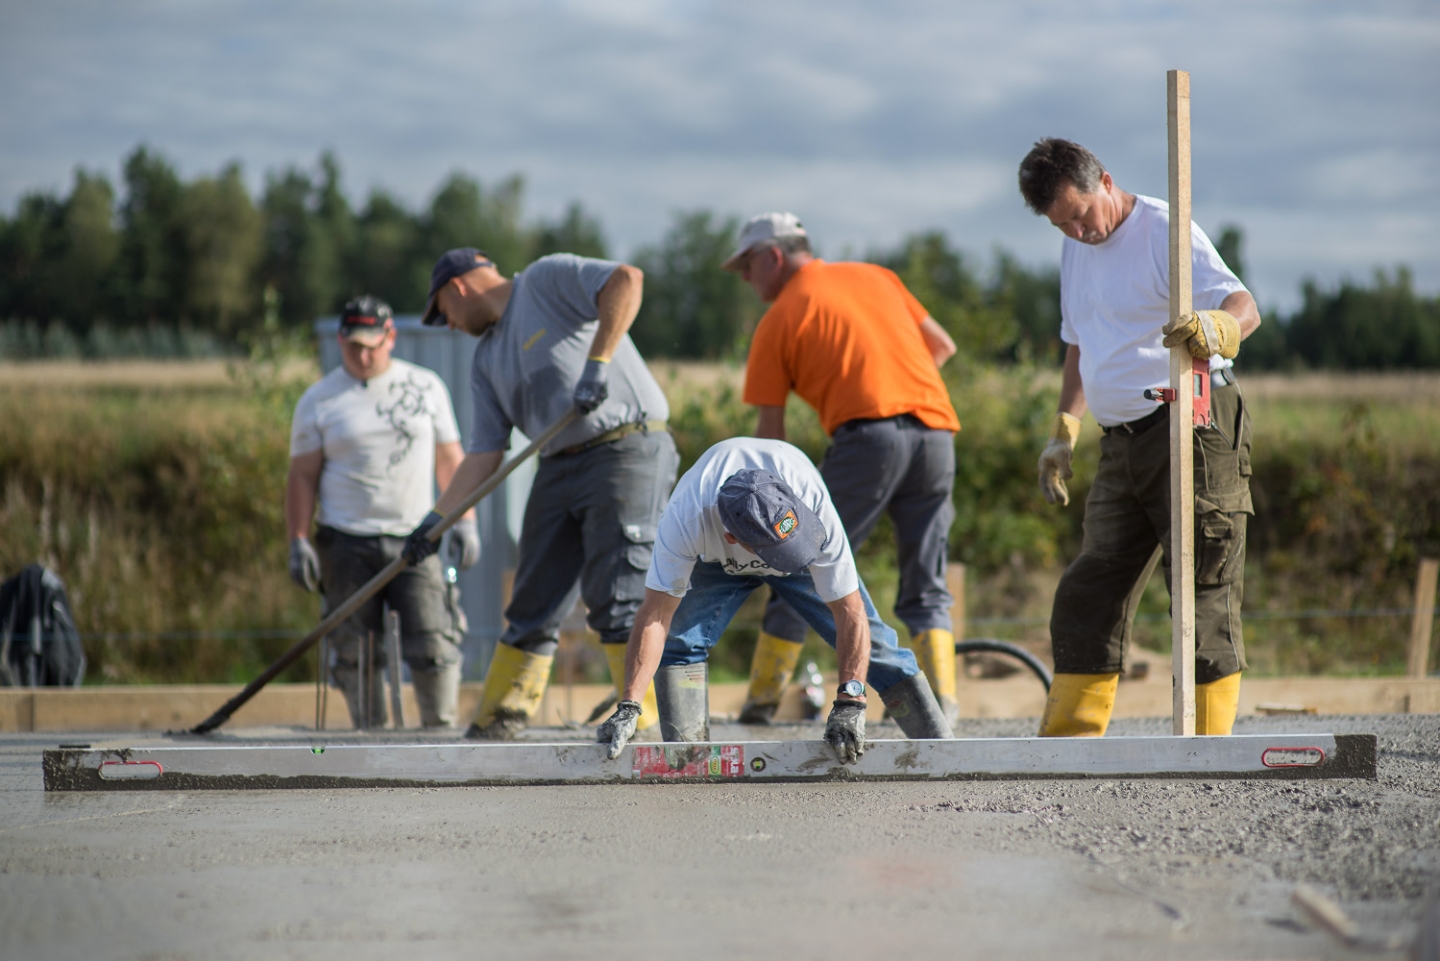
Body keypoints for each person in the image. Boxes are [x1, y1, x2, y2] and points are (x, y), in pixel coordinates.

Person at [1016, 138, 1262, 737]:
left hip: (1193, 430)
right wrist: (1064, 429)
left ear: (1104, 180)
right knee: (1090, 587)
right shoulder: (1075, 250)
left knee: (1203, 586)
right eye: (1061, 225)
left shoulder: (1163, 231)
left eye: (1079, 214)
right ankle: (1069, 747)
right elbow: (1081, 344)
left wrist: (1218, 325)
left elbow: (1245, 305)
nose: (1077, 232)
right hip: (1120, 443)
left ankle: (1208, 750)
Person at [407, 248, 677, 739]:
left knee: (617, 592)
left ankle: (645, 722)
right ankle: (500, 718)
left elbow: (627, 279)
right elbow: (484, 455)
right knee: (533, 599)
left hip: (625, 447)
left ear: (457, 288)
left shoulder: (544, 281)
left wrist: (598, 364)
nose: (446, 325)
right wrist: (434, 521)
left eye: (442, 312)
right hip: (557, 464)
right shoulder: (487, 360)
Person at [722, 212, 964, 724]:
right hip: (937, 434)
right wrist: (895, 385)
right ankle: (943, 709)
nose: (744, 278)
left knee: (799, 559)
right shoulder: (879, 277)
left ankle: (761, 707)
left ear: (773, 255)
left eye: (747, 266)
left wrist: (773, 514)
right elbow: (942, 346)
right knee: (926, 580)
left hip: (868, 443)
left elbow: (771, 438)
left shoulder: (779, 320)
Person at [596, 437, 954, 764]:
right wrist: (630, 705)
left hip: (797, 543)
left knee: (876, 646)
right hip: (713, 560)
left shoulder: (810, 501)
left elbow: (850, 612)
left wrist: (851, 700)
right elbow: (656, 616)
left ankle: (944, 752)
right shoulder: (685, 519)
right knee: (678, 642)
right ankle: (691, 763)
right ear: (732, 538)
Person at [286, 295, 478, 728]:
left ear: (390, 337)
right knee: (355, 652)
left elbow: (451, 460)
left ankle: (439, 734)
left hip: (419, 539)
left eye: (372, 344)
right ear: (340, 340)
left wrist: (465, 520)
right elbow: (301, 477)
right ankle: (369, 738)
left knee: (434, 642)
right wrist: (298, 540)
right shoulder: (319, 400)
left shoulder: (425, 388)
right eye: (354, 345)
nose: (364, 354)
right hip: (345, 542)